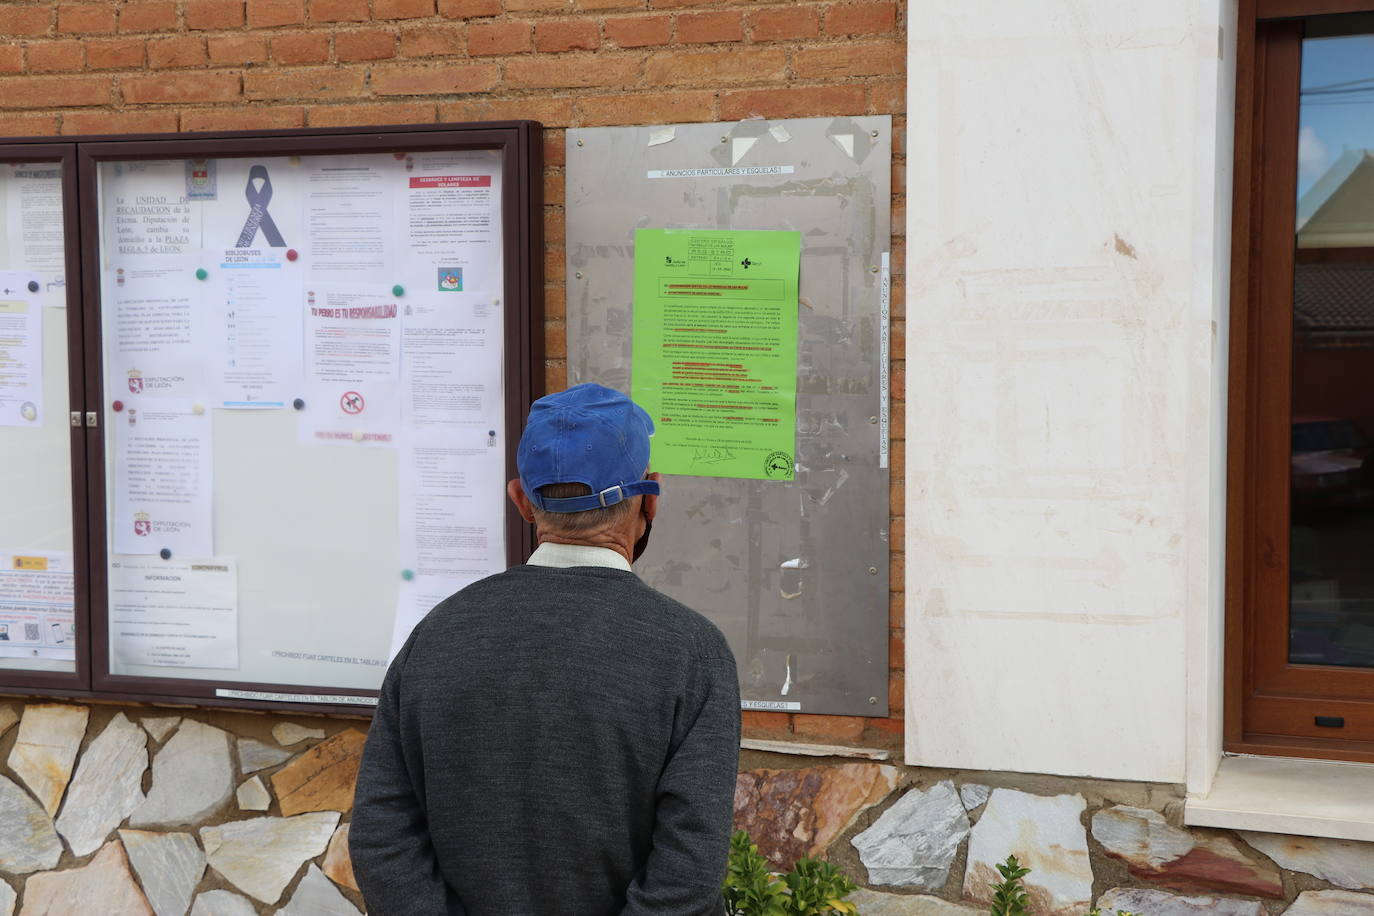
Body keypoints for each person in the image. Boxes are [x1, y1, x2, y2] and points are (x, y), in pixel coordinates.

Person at [351, 383, 742, 916]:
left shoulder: (436, 634)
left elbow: (382, 833)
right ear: (650, 496)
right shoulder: (693, 653)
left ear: (521, 500)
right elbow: (689, 866)